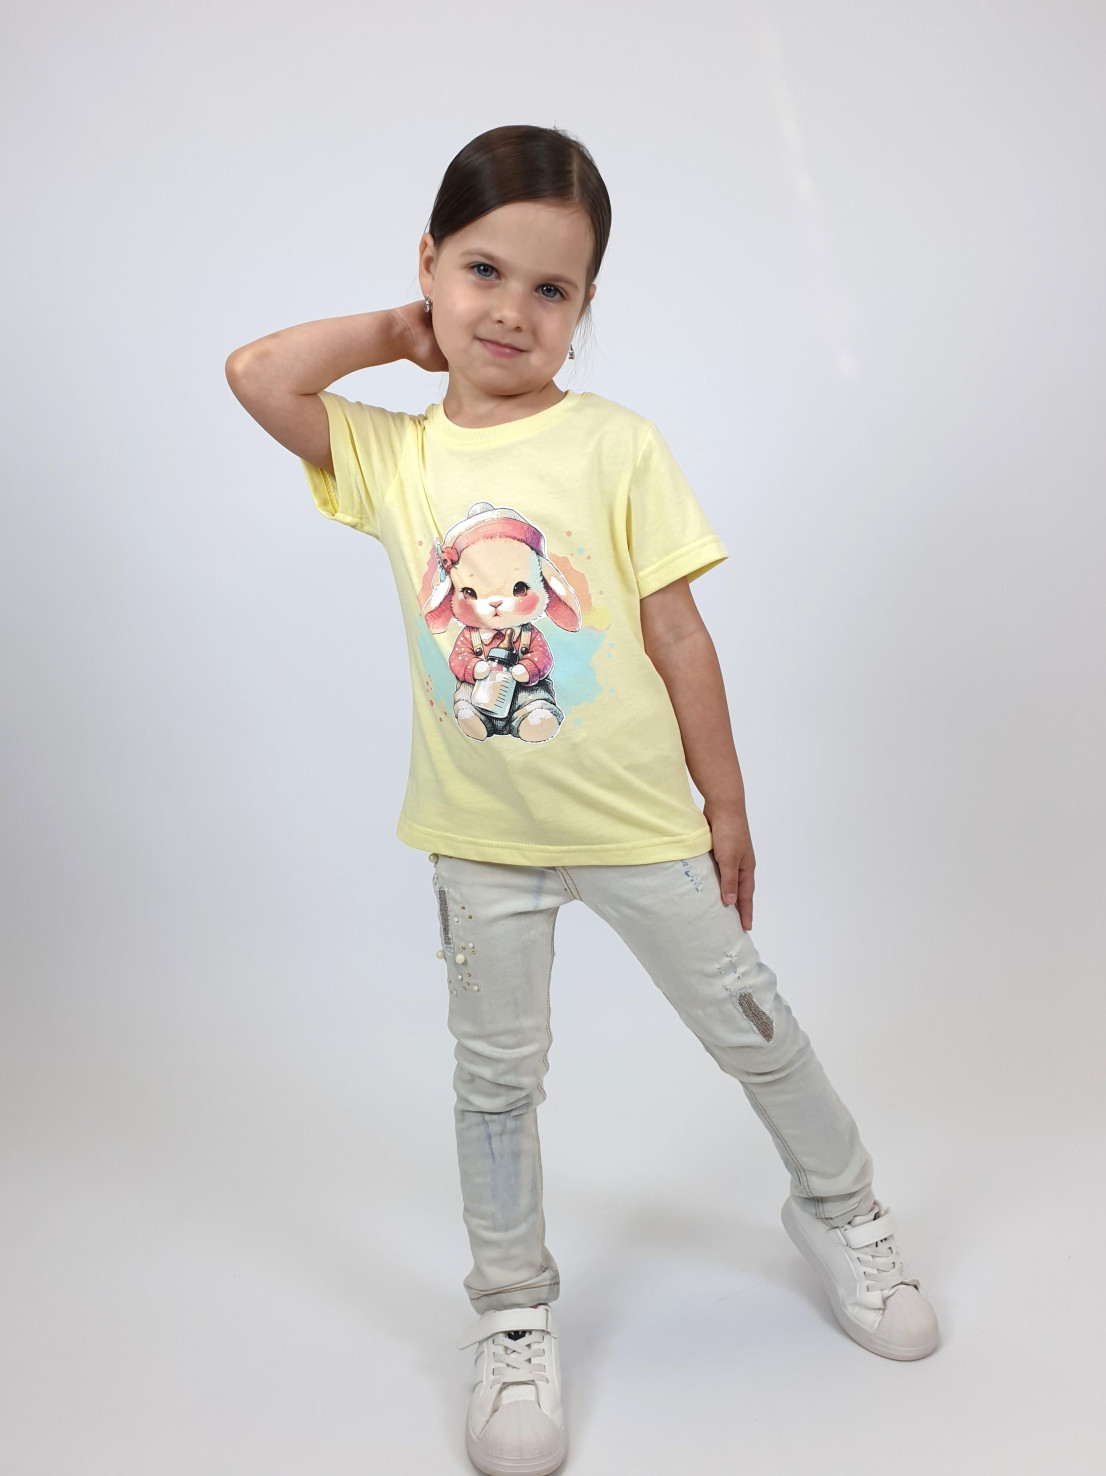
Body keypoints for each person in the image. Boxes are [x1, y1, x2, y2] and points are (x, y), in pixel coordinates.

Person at [225, 122, 940, 1476]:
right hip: (482, 845)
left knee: (754, 1027)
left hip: (639, 827)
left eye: (550, 289)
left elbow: (676, 634)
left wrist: (725, 808)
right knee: (496, 1085)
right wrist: (397, 334)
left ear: (585, 305)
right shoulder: (396, 458)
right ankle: (510, 1311)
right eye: (482, 272)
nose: (511, 311)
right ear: (429, 264)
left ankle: (841, 1208)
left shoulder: (616, 444)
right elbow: (258, 373)